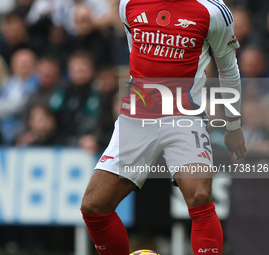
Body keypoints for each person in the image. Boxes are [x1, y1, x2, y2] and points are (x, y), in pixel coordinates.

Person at [81, 1, 246, 255]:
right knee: (94, 206)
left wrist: (233, 125)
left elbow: (228, 69)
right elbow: (133, 50)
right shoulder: (129, 4)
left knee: (200, 197)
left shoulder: (214, 10)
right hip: (136, 118)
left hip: (184, 116)